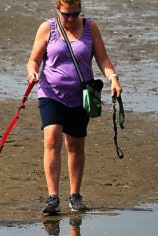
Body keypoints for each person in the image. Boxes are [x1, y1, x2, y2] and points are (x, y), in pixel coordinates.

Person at [27, 0, 123, 214]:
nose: (70, 19)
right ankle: (53, 198)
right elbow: (33, 60)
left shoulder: (90, 27)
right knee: (52, 139)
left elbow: (103, 59)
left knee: (75, 145)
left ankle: (75, 196)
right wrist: (32, 72)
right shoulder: (47, 28)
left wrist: (113, 79)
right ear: (57, 9)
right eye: (66, 15)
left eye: (75, 14)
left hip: (81, 96)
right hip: (50, 93)